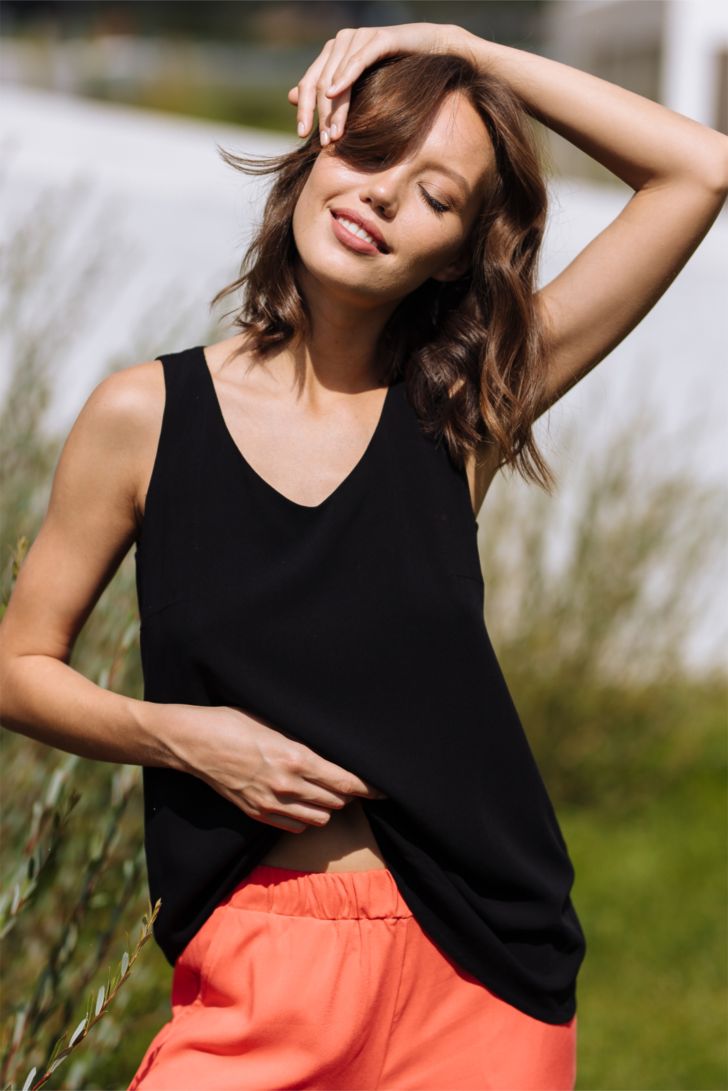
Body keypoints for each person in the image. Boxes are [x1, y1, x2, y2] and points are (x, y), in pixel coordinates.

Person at [1, 20, 726, 1091]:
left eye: (435, 195)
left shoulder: (462, 415)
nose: (382, 196)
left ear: (456, 254)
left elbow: (696, 169)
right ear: (314, 153)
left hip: (480, 982)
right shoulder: (143, 416)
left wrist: (459, 44)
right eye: (370, 151)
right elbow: (19, 667)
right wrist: (184, 737)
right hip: (257, 968)